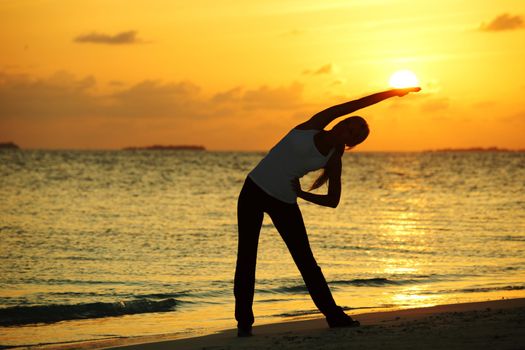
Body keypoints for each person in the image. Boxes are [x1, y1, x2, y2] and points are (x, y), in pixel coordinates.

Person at [234, 87, 421, 337]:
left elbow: (333, 200)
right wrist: (394, 92)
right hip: (253, 190)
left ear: (350, 142)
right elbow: (357, 103)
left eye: (352, 133)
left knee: (307, 262)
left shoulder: (334, 158)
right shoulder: (315, 124)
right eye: (347, 125)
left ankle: (334, 317)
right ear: (340, 123)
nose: (346, 129)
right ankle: (244, 324)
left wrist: (302, 195)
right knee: (247, 258)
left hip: (284, 201)